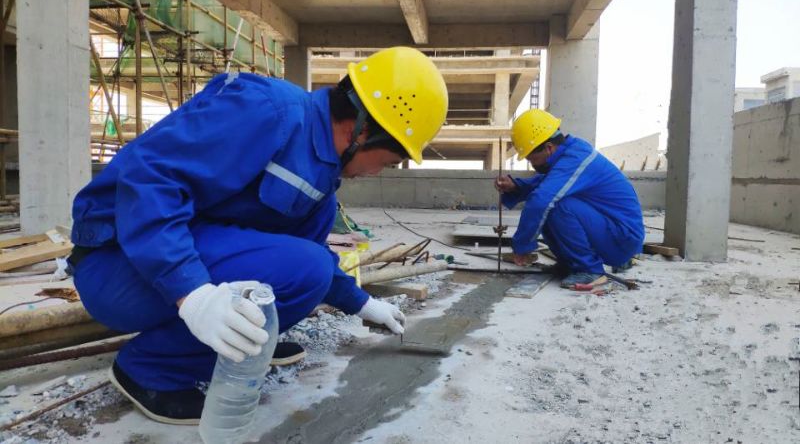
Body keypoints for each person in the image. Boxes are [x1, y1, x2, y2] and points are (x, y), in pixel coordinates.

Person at [68, 47, 448, 424]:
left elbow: (303, 255)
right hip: (116, 264)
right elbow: (151, 182)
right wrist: (193, 294)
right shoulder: (267, 111)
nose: (378, 172)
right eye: (388, 162)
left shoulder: (320, 179)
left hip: (154, 267)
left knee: (308, 267)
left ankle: (235, 347)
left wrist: (362, 304)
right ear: (362, 130)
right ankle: (152, 369)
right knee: (308, 269)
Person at [494, 109, 644, 289]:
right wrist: (516, 186)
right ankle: (571, 264)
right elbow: (546, 183)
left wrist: (522, 246)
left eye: (532, 159)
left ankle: (589, 270)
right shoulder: (569, 155)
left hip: (622, 238)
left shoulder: (577, 158)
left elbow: (540, 200)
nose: (532, 165)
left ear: (549, 148)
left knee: (556, 206)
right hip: (610, 230)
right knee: (553, 203)